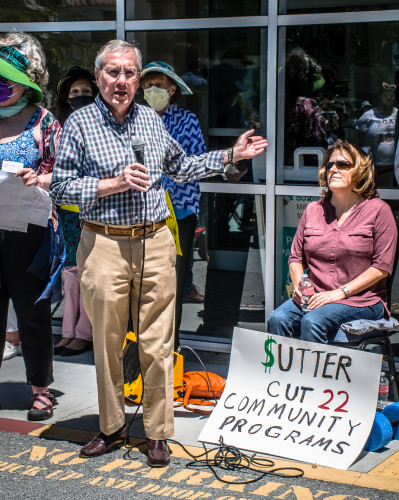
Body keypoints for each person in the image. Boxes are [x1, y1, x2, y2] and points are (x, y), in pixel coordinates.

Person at [49, 39, 267, 467]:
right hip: (104, 242)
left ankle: (157, 433)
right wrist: (111, 183)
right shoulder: (79, 126)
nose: (123, 81)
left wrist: (230, 156)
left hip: (155, 240)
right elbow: (60, 187)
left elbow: (181, 166)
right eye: (114, 72)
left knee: (158, 342)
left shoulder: (150, 118)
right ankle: (111, 427)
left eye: (130, 73)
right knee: (109, 343)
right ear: (99, 78)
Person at [268, 142, 397, 344]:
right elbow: (295, 257)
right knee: (278, 318)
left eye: (343, 164)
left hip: (362, 300)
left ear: (361, 171)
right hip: (317, 296)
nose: (334, 169)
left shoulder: (379, 211)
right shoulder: (313, 210)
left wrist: (339, 293)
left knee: (313, 321)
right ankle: (282, 375)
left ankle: (314, 376)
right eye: (330, 165)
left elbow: (382, 267)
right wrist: (298, 288)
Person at [0, 32, 63, 420]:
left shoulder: (45, 121)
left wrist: (39, 179)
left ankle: (41, 388)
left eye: (5, 81)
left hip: (30, 231)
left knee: (32, 311)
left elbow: (66, 174)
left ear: (25, 83)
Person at [140, 60, 205, 349]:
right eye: (147, 86)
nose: (153, 91)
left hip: (178, 212)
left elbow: (196, 163)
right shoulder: (134, 118)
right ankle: (142, 350)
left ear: (172, 90)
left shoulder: (186, 120)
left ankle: (171, 347)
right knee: (143, 283)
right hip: (139, 213)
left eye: (159, 86)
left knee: (174, 282)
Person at [53, 67, 98, 356]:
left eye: (86, 91)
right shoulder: (58, 126)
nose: (81, 96)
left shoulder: (101, 124)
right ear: (67, 99)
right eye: (75, 93)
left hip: (94, 207)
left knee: (91, 270)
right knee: (70, 269)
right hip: (67, 210)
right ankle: (68, 330)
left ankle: (86, 332)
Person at [356, 82, 397, 186]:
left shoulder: (398, 114)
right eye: (385, 94)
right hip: (378, 166)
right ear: (379, 96)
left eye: (391, 95)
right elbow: (359, 141)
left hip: (396, 164)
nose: (389, 97)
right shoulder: (368, 116)